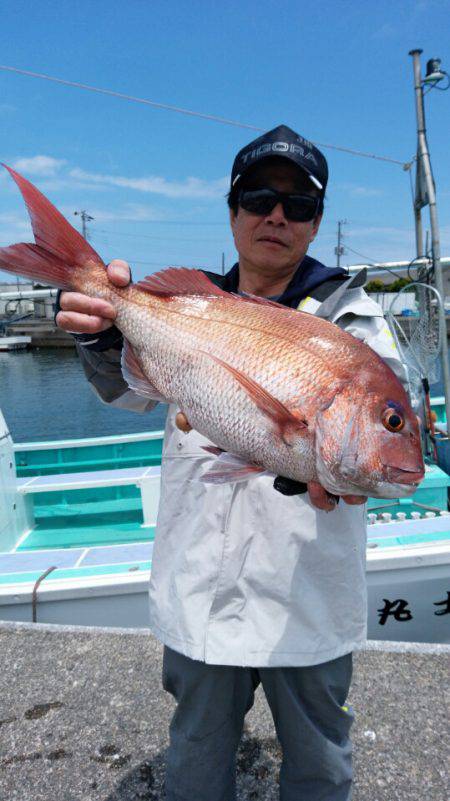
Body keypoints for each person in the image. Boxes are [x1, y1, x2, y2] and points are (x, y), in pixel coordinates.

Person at [56, 125, 407, 801]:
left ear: (315, 223)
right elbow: (123, 389)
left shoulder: (353, 321)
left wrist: (351, 472)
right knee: (194, 753)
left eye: (298, 204)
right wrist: (103, 331)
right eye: (258, 196)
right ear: (233, 210)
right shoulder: (189, 307)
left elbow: (375, 444)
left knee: (321, 765)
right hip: (200, 590)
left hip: (306, 602)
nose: (276, 214)